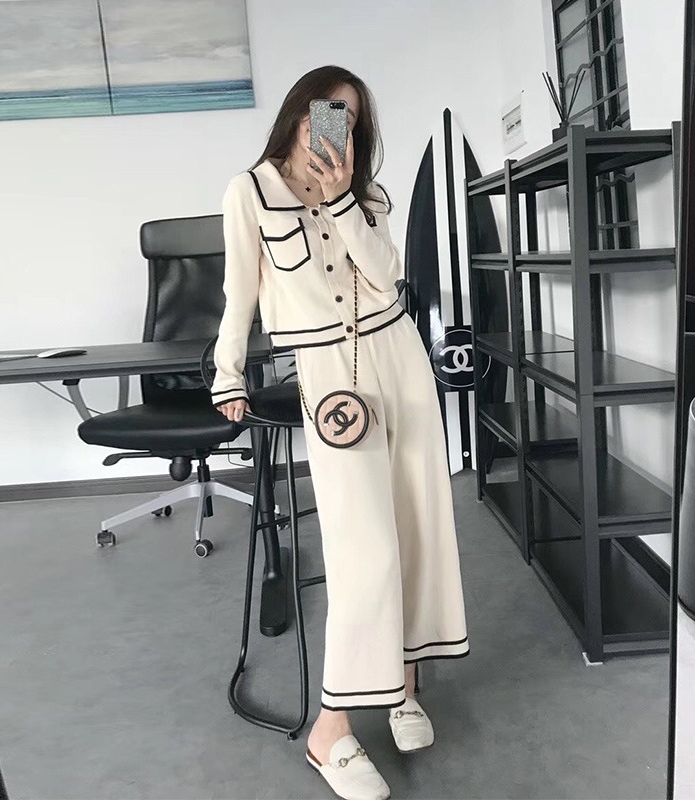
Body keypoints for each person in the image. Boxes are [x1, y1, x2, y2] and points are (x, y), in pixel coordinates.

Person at [211, 65, 469, 800]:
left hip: (398, 354)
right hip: (330, 374)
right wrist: (228, 374)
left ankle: (403, 683)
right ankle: (331, 731)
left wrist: (344, 199)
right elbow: (240, 295)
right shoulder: (250, 192)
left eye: (349, 119)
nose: (333, 127)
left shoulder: (369, 195)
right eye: (325, 111)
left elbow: (388, 279)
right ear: (298, 113)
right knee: (366, 549)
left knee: (418, 528)